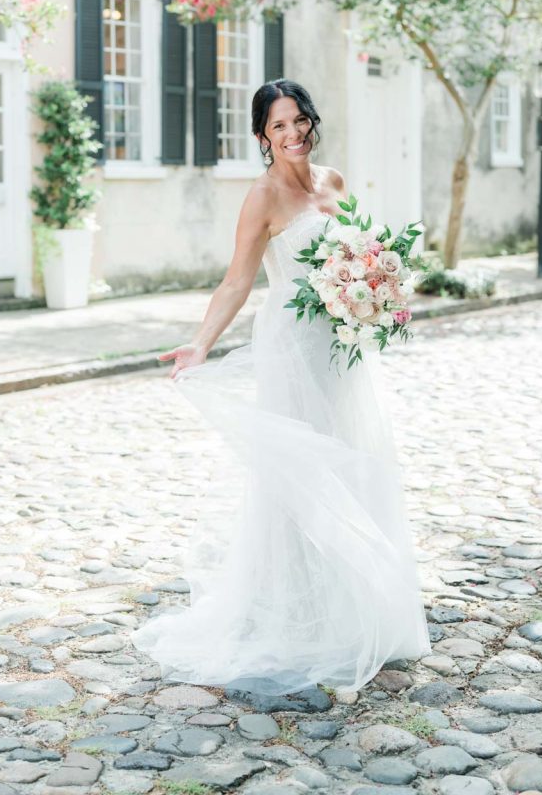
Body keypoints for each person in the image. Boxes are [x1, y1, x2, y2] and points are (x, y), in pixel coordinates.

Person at [131, 79, 431, 696]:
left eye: (299, 121)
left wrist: (376, 291)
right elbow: (238, 280)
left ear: (311, 122)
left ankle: (360, 611)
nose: (292, 134)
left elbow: (356, 254)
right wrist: (201, 343)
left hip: (341, 350)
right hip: (290, 350)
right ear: (262, 136)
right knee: (296, 476)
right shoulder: (262, 196)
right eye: (278, 126)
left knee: (350, 463)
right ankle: (296, 616)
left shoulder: (334, 181)